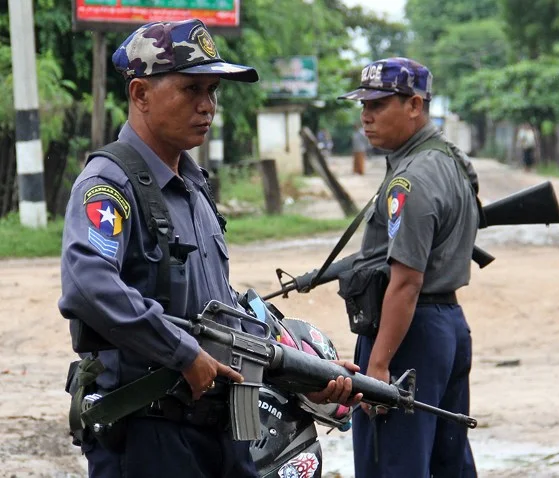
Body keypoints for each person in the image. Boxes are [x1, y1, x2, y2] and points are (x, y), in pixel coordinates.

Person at [58, 19, 360, 478]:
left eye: (213, 90)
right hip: (149, 434)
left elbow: (219, 316)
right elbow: (88, 284)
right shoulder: (110, 185)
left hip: (218, 431)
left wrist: (307, 374)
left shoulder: (193, 185)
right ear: (140, 94)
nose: (207, 106)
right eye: (191, 89)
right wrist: (182, 353)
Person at [338, 57, 479, 478]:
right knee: (446, 461)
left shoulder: (411, 178)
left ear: (415, 105)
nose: (366, 116)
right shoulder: (452, 160)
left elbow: (405, 282)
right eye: (363, 105)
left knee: (392, 461)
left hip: (408, 332)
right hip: (447, 325)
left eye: (379, 105)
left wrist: (379, 365)